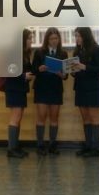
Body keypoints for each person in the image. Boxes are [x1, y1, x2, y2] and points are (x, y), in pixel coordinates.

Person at [31, 27, 67, 156]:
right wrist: (39, 69)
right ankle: (40, 145)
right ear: (47, 39)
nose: (54, 41)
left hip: (56, 88)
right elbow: (33, 70)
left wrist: (61, 74)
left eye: (56, 38)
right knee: (41, 116)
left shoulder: (63, 54)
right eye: (51, 38)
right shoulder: (39, 52)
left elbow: (65, 76)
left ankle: (52, 145)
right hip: (42, 88)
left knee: (54, 117)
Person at [73, 27, 99, 158]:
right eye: (75, 36)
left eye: (78, 36)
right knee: (85, 118)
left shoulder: (97, 49)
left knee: (94, 117)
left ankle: (96, 149)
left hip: (93, 88)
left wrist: (84, 67)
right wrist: (72, 71)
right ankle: (88, 146)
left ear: (85, 36)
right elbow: (75, 72)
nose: (76, 38)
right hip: (80, 87)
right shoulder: (77, 51)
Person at [5, 29, 35, 158]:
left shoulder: (25, 53)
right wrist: (24, 76)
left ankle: (15, 146)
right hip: (14, 89)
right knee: (15, 118)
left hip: (21, 89)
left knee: (18, 118)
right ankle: (11, 149)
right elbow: (9, 70)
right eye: (29, 38)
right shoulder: (13, 53)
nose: (31, 41)